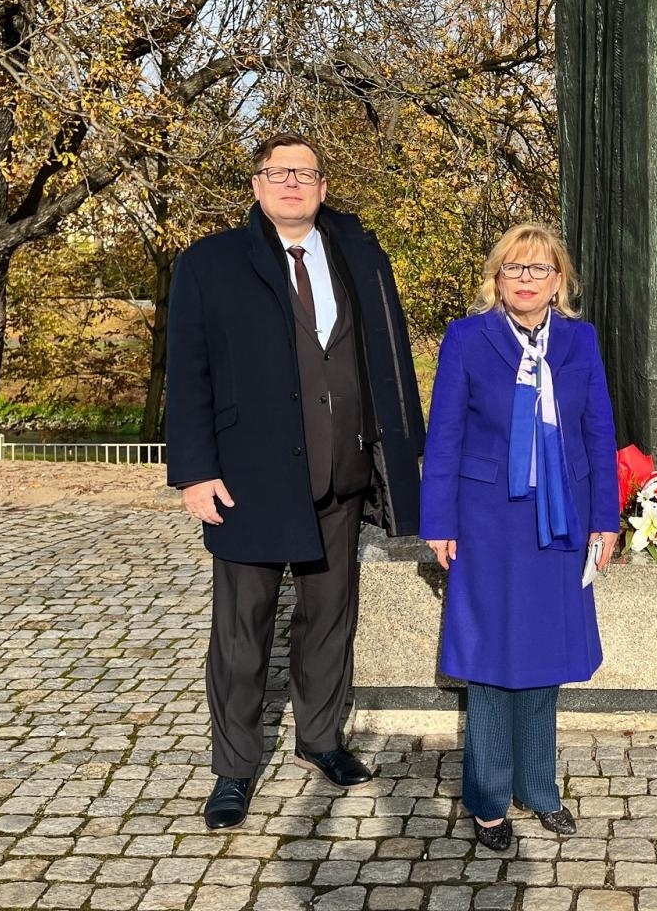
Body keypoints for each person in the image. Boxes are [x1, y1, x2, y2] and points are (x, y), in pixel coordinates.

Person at [166, 133, 425, 831]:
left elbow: (390, 360)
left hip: (341, 475)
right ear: (256, 185)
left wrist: (401, 457)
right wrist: (194, 471)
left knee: (329, 620)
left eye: (304, 173)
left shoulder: (360, 258)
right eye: (278, 173)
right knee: (243, 634)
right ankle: (234, 769)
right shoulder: (210, 263)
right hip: (247, 482)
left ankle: (319, 739)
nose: (291, 184)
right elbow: (186, 374)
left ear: (322, 183)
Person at [420, 223, 621, 852]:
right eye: (515, 268)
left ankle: (539, 789)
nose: (527, 279)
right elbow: (445, 434)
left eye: (539, 269)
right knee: (489, 658)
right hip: (486, 521)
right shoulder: (467, 339)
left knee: (543, 658)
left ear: (559, 281)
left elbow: (599, 431)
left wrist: (606, 517)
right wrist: (439, 522)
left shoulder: (581, 341)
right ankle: (486, 801)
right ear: (497, 278)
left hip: (561, 522)